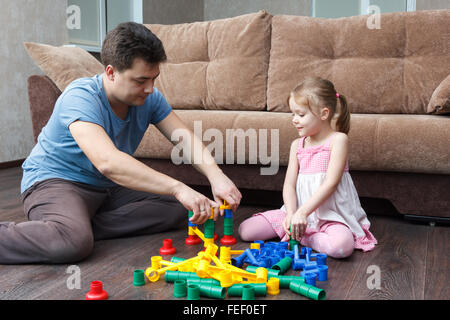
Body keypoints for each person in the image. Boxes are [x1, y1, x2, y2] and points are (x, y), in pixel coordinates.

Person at [0, 22, 241, 264]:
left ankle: (76, 224)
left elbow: (184, 138)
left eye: (154, 79)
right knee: (71, 243)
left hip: (107, 188)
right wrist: (178, 187)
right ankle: (71, 229)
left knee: (185, 209)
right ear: (111, 72)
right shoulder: (80, 97)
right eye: (140, 81)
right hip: (56, 181)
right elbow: (108, 162)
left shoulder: (150, 98)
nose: (150, 89)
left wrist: (216, 175)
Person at [238, 77, 377, 258]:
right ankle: (297, 230)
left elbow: (331, 183)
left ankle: (305, 238)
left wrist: (303, 213)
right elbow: (289, 185)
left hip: (329, 216)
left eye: (301, 115)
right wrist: (291, 213)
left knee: (342, 247)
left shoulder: (338, 140)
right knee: (246, 231)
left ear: (324, 113)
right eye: (293, 114)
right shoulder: (297, 145)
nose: (294, 120)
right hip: (297, 212)